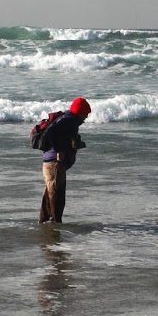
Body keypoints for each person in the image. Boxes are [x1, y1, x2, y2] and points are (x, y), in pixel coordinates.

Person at [39, 96, 91, 224]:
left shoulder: (67, 119)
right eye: (85, 114)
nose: (86, 117)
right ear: (80, 112)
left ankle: (46, 224)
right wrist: (59, 151)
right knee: (57, 196)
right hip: (54, 164)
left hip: (52, 164)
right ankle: (55, 225)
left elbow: (61, 135)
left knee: (50, 196)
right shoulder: (68, 120)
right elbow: (51, 133)